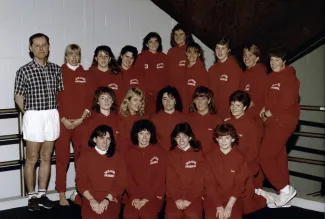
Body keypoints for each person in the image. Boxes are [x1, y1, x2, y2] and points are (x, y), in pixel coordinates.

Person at [14, 33, 63, 211]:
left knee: (46, 157)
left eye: (44, 45)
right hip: (34, 115)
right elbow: (18, 96)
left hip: (51, 114)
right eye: (37, 45)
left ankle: (42, 194)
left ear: (49, 46)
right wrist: (28, 114)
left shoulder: (56, 69)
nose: (41, 48)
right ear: (30, 48)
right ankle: (31, 197)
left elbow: (60, 93)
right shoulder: (24, 70)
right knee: (32, 158)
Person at [259, 47, 300, 207]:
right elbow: (267, 98)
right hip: (273, 122)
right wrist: (263, 108)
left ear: (284, 61)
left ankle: (284, 189)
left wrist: (270, 112)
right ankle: (284, 197)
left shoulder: (289, 77)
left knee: (265, 157)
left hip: (283, 122)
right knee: (278, 157)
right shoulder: (271, 77)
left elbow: (288, 100)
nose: (274, 63)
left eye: (277, 60)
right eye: (271, 60)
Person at [71, 86, 120, 204]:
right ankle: (78, 197)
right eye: (103, 98)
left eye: (109, 98)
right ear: (97, 101)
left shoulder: (119, 121)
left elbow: (122, 148)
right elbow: (81, 150)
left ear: (113, 100)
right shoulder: (88, 122)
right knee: (93, 205)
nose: (106, 101)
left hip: (113, 165)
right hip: (95, 167)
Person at [55, 44, 90, 206]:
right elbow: (54, 98)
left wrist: (81, 118)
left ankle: (80, 192)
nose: (74, 57)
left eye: (77, 54)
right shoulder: (58, 73)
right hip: (63, 123)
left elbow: (90, 99)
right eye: (71, 54)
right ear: (66, 56)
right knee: (62, 159)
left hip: (81, 122)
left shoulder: (86, 73)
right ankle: (61, 194)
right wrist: (63, 119)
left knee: (81, 159)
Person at [224, 91, 268, 212]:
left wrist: (240, 168)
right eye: (232, 104)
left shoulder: (252, 126)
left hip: (245, 168)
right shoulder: (226, 123)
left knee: (245, 209)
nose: (234, 108)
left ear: (245, 107)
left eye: (238, 105)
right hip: (228, 166)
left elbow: (253, 152)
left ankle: (262, 198)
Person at [76, 125, 126, 219]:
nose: (105, 142)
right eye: (101, 138)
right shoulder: (85, 157)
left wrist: (107, 199)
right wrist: (91, 200)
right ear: (94, 139)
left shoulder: (118, 157)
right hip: (90, 196)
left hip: (111, 197)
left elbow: (120, 183)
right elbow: (80, 182)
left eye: (108, 139)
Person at [124, 119, 167, 219]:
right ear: (136, 134)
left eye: (147, 133)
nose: (144, 137)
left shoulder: (160, 153)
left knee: (146, 214)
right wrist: (134, 197)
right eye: (141, 133)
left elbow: (160, 179)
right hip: (135, 195)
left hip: (154, 194)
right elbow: (127, 178)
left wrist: (146, 198)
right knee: (129, 214)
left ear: (151, 135)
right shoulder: (129, 153)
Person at [204, 123, 247, 219]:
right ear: (216, 139)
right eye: (220, 138)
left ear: (233, 139)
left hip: (234, 198)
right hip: (213, 197)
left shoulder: (240, 157)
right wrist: (219, 206)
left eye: (227, 138)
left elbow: (239, 184)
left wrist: (229, 206)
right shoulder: (209, 157)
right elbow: (209, 183)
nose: (223, 141)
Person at [165, 123, 206, 219]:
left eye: (184, 136)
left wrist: (188, 199)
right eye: (178, 137)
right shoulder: (171, 155)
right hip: (175, 196)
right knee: (172, 215)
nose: (181, 140)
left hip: (194, 195)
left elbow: (199, 181)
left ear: (190, 137)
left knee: (193, 215)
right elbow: (170, 181)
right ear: (174, 139)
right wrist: (176, 199)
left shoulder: (198, 155)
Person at [208, 37, 242, 118]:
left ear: (228, 50)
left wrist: (230, 114)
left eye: (223, 48)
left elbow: (236, 94)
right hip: (214, 112)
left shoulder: (235, 69)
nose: (220, 51)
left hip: (228, 113)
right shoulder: (212, 69)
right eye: (217, 48)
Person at [135, 32, 167, 115]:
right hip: (146, 96)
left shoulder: (164, 57)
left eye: (156, 41)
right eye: (150, 41)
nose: (154, 44)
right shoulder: (140, 57)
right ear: (146, 44)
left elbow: (168, 77)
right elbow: (137, 77)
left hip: (161, 96)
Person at [239, 44, 267, 130]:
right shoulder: (244, 74)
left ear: (257, 58)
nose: (246, 58)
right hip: (244, 115)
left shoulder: (260, 73)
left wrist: (238, 110)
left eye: (250, 55)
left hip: (254, 119)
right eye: (245, 55)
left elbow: (255, 98)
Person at [188, 86, 222, 154]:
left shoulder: (218, 120)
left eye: (203, 99)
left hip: (212, 158)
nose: (200, 102)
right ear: (194, 101)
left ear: (209, 100)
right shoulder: (188, 119)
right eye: (197, 99)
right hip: (193, 157)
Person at [151, 86, 186, 152]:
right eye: (165, 99)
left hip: (180, 155)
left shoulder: (184, 118)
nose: (168, 101)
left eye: (171, 98)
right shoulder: (154, 119)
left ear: (175, 101)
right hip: (161, 155)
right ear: (161, 101)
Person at [178, 43, 208, 110]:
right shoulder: (183, 68)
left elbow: (204, 92)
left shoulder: (202, 70)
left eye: (195, 52)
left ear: (199, 54)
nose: (192, 55)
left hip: (195, 106)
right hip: (183, 105)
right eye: (189, 52)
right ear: (186, 53)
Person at [119, 88, 147, 153]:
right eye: (135, 100)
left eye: (140, 100)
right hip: (126, 153)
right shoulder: (120, 118)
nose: (138, 103)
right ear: (128, 101)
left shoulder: (145, 119)